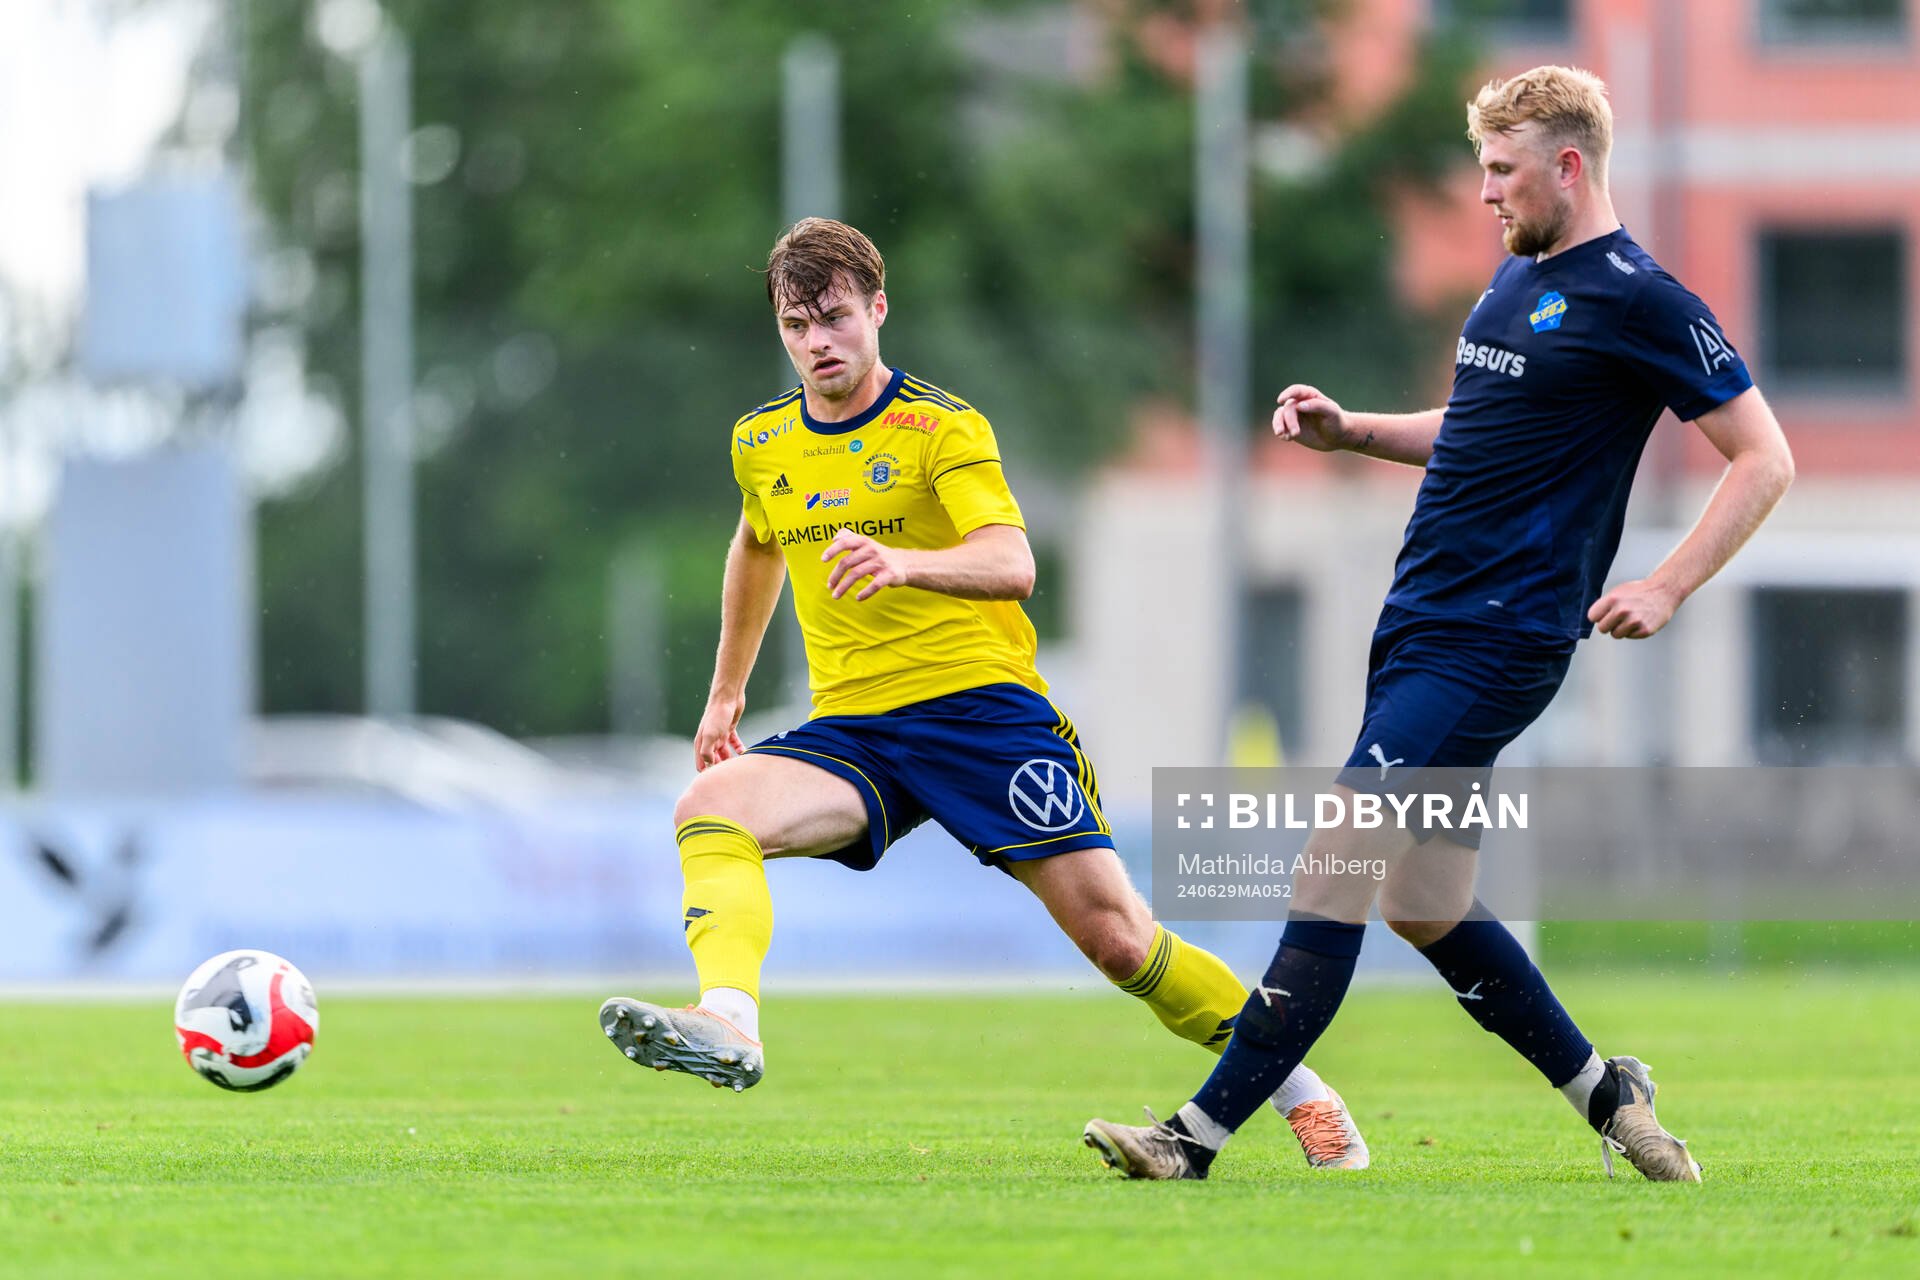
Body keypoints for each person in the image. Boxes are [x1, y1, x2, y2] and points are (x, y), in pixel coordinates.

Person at [1083, 65, 1793, 1183]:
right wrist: (1352, 431)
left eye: (1503, 172)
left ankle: (1195, 1134)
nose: (1485, 194)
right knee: (1423, 900)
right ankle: (1611, 1093)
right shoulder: (1512, 284)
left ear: (1570, 165)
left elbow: (1766, 457)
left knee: (1337, 853)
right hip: (1421, 621)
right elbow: (1475, 428)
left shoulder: (1644, 297)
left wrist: (1667, 583)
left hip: (1501, 633)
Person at [598, 217, 1368, 1168]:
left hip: (982, 717)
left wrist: (905, 563)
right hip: (857, 732)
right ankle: (730, 1019)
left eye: (836, 317)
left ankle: (1299, 1087)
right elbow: (757, 541)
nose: (818, 342)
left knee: (1120, 943)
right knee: (709, 807)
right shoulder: (763, 442)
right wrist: (726, 692)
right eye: (797, 326)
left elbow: (1013, 561)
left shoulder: (940, 427)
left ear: (878, 310)